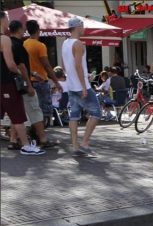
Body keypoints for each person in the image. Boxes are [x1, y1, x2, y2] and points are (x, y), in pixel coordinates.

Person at [8, 20, 59, 149]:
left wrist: (34, 74)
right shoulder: (33, 45)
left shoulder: (18, 44)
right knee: (37, 111)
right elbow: (23, 66)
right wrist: (30, 84)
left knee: (17, 113)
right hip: (28, 83)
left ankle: (13, 140)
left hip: (15, 84)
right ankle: (42, 139)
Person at [0, 12, 45, 155]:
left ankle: (21, 143)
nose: (8, 21)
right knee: (17, 114)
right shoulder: (4, 39)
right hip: (7, 82)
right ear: (2, 20)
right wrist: (22, 76)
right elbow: (11, 64)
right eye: (7, 18)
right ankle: (26, 145)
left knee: (13, 114)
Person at [61, 17, 102, 156]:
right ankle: (84, 142)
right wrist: (84, 86)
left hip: (71, 85)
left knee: (74, 115)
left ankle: (75, 146)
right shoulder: (78, 43)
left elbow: (64, 65)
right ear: (78, 27)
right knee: (96, 113)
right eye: (83, 25)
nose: (84, 28)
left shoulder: (65, 43)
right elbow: (78, 65)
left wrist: (73, 77)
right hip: (80, 85)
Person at [24, 19, 61, 127]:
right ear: (38, 30)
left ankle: (35, 131)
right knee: (45, 109)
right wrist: (56, 81)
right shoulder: (40, 46)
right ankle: (42, 132)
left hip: (30, 80)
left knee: (33, 108)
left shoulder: (24, 44)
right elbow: (47, 65)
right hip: (41, 81)